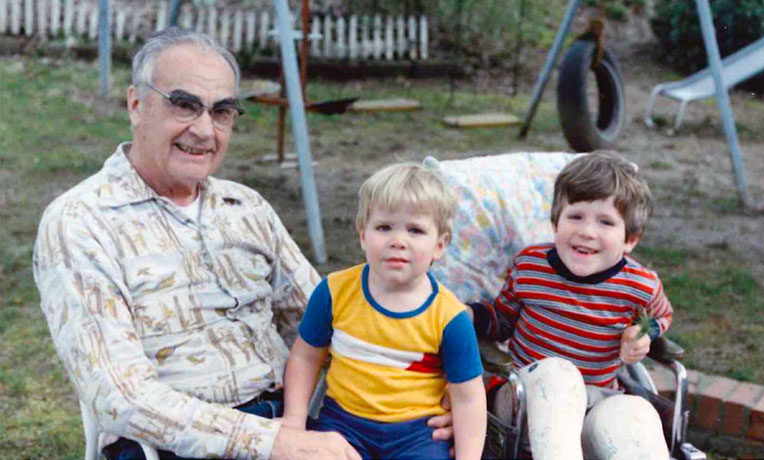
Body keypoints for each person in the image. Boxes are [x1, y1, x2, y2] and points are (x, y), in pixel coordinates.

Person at [32, 28, 452, 460]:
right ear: (136, 104)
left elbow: (337, 318)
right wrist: (272, 443)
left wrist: (437, 394)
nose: (203, 130)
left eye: (221, 112)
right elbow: (120, 395)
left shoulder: (244, 206)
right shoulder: (82, 222)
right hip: (175, 445)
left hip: (298, 418)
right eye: (184, 105)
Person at [470, 151, 673, 459]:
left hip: (596, 399)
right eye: (575, 216)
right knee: (560, 375)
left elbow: (660, 316)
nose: (587, 232)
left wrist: (644, 333)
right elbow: (502, 321)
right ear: (556, 223)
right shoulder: (531, 267)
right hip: (527, 398)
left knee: (632, 412)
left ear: (630, 239)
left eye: (606, 222)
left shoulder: (639, 285)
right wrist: (471, 314)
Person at [282, 163, 487, 460]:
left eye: (415, 230)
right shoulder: (334, 292)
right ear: (363, 234)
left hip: (417, 434)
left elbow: (468, 398)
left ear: (440, 245)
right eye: (384, 227)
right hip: (343, 424)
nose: (398, 241)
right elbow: (305, 356)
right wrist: (294, 420)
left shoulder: (449, 318)